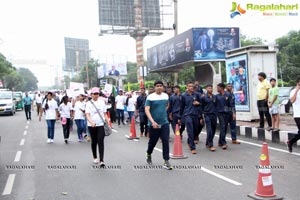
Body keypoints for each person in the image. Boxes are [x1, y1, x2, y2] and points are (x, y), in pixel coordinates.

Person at [145, 81, 172, 170]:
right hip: (153, 124)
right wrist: (152, 122)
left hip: (164, 123)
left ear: (163, 87)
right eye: (157, 86)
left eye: (161, 86)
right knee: (152, 142)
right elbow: (147, 110)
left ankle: (166, 161)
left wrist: (163, 113)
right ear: (154, 87)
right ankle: (149, 153)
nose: (159, 87)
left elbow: (167, 105)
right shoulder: (150, 97)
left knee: (165, 141)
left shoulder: (165, 96)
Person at [85, 87, 110, 166]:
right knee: (94, 141)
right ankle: (95, 157)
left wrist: (108, 121)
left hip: (100, 124)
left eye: (97, 94)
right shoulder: (88, 103)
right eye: (94, 94)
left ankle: (102, 160)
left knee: (100, 141)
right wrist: (91, 122)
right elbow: (87, 114)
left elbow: (105, 113)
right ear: (91, 95)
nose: (96, 95)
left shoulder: (102, 102)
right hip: (92, 125)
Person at [179, 82, 201, 154]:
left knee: (195, 130)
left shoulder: (197, 95)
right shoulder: (184, 96)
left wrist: (198, 103)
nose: (191, 87)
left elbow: (202, 104)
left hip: (196, 114)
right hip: (187, 114)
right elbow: (181, 107)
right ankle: (192, 147)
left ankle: (189, 141)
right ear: (187, 87)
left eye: (192, 86)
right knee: (190, 130)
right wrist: (180, 117)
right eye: (189, 86)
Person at [216, 83, 233, 150]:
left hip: (227, 113)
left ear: (222, 88)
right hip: (220, 113)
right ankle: (223, 143)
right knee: (222, 126)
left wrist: (233, 113)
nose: (217, 89)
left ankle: (220, 141)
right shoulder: (217, 96)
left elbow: (231, 105)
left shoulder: (228, 95)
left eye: (218, 88)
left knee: (225, 127)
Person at [201, 85, 218, 151]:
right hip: (207, 114)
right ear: (206, 89)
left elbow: (217, 105)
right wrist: (202, 115)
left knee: (213, 129)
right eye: (209, 88)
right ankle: (211, 144)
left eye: (211, 88)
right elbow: (201, 106)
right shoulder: (204, 97)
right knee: (209, 130)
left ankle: (208, 142)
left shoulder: (214, 97)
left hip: (214, 114)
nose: (210, 89)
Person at [287, 78, 300, 153]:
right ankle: (290, 142)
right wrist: (297, 90)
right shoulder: (293, 91)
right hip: (298, 115)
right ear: (297, 83)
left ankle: (290, 142)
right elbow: (292, 101)